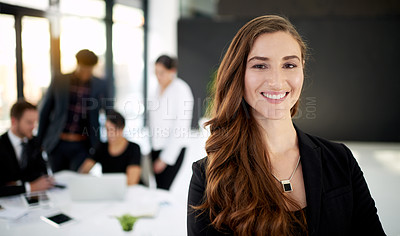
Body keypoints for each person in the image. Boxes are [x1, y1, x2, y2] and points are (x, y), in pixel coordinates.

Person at [187, 15, 385, 236]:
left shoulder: (340, 160)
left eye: (289, 65)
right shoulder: (209, 176)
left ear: (302, 70)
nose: (276, 81)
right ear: (238, 74)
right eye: (260, 65)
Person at [38, 49, 109, 173]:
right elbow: (45, 111)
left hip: (83, 145)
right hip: (57, 142)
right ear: (77, 65)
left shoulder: (100, 85)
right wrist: (39, 141)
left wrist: (104, 144)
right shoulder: (60, 81)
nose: (86, 73)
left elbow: (109, 112)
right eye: (83, 69)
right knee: (58, 181)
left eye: (89, 70)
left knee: (78, 182)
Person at [148, 55, 194, 190]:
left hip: (174, 149)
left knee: (163, 189)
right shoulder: (155, 89)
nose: (158, 76)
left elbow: (181, 127)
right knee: (157, 189)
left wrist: (165, 158)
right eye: (156, 72)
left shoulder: (181, 89)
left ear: (172, 71)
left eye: (161, 73)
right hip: (156, 147)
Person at [0, 100, 54, 197]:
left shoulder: (34, 142)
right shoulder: (1, 144)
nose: (33, 127)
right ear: (14, 121)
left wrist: (16, 184)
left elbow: (42, 174)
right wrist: (30, 186)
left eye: (35, 122)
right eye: (29, 122)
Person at [79, 110, 141, 185]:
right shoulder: (102, 147)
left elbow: (131, 181)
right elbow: (83, 170)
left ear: (122, 129)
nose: (110, 134)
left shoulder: (133, 148)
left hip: (129, 191)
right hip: (108, 190)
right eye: (108, 129)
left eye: (114, 130)